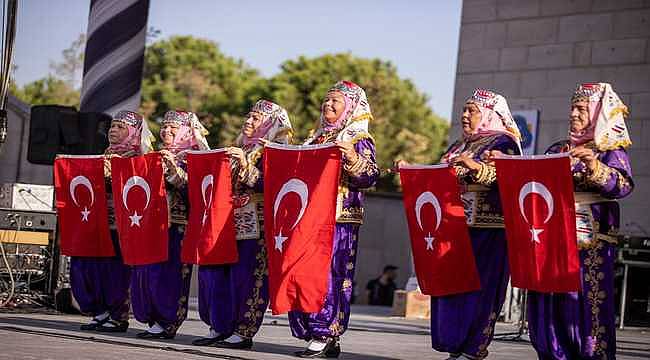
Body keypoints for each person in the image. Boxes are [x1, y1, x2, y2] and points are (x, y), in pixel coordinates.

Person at [398, 88, 522, 360]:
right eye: (464, 109)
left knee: (480, 290)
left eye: (472, 110)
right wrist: (413, 172)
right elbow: (440, 176)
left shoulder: (504, 143)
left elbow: (512, 178)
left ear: (489, 114)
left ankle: (473, 347)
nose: (464, 115)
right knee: (451, 286)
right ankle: (454, 343)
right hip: (453, 229)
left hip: (487, 231)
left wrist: (478, 168)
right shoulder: (459, 144)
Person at [526, 83, 634, 360]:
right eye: (572, 108)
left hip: (590, 242)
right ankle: (552, 353)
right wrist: (505, 164)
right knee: (551, 300)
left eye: (581, 109)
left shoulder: (609, 148)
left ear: (598, 113)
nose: (573, 114)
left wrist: (595, 166)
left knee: (586, 301)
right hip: (552, 239)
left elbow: (622, 186)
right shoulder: (557, 148)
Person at [288, 80, 380, 358]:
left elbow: (370, 176)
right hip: (308, 218)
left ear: (351, 107)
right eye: (326, 100)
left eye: (335, 101)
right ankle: (319, 332)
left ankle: (325, 330)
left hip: (338, 219)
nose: (327, 105)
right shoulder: (314, 138)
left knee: (330, 276)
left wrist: (351, 157)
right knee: (304, 275)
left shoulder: (357, 138)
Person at [192, 100, 292, 349]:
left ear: (271, 124)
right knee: (221, 276)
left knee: (247, 278)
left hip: (257, 225)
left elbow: (273, 184)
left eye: (255, 119)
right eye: (248, 117)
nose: (248, 121)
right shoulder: (239, 147)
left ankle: (243, 330)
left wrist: (246, 165)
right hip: (228, 222)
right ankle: (220, 326)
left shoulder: (275, 150)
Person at [71, 110, 153, 332]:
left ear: (134, 133)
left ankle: (118, 316)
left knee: (116, 272)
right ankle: (100, 312)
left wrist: (112, 173)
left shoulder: (140, 159)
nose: (113, 131)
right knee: (91, 267)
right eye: (112, 126)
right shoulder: (105, 154)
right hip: (99, 223)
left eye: (120, 127)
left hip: (124, 225)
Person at [132, 110, 209, 339]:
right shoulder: (155, 155)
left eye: (172, 129)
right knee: (148, 272)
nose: (166, 132)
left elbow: (197, 191)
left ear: (186, 132)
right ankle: (154, 318)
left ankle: (168, 321)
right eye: (164, 128)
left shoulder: (195, 157)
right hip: (151, 224)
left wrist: (175, 172)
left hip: (178, 225)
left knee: (171, 274)